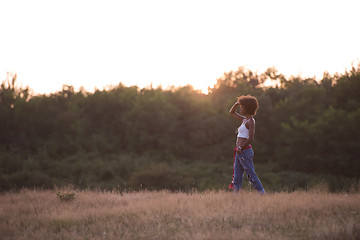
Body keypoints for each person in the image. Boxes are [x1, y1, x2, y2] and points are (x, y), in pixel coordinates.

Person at [229, 95, 265, 194]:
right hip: (239, 152)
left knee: (250, 174)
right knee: (237, 176)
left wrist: (241, 147)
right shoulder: (244, 119)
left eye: (242, 106)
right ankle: (236, 196)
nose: (240, 108)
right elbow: (231, 112)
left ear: (247, 108)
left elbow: (251, 138)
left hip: (244, 151)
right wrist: (237, 103)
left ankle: (262, 193)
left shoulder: (251, 121)